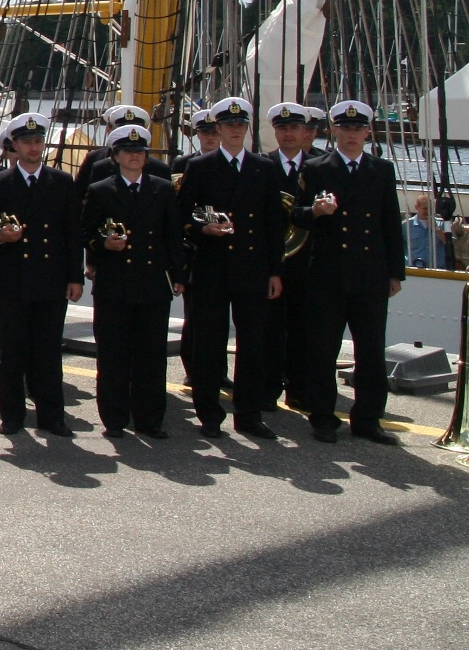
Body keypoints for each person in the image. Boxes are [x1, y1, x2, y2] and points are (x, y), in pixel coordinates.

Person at [292, 100, 405, 444]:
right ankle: (323, 417)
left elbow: (390, 223)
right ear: (334, 131)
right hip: (328, 272)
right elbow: (294, 216)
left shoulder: (381, 170)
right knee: (323, 349)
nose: (352, 135)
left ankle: (368, 419)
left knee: (371, 350)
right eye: (345, 129)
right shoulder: (315, 168)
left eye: (358, 130)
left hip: (369, 272)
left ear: (368, 133)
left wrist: (395, 273)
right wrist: (315, 211)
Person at [174, 97, 284, 439]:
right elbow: (182, 213)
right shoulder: (201, 167)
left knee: (252, 345)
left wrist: (274, 270)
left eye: (240, 125)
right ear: (218, 128)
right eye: (228, 125)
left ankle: (249, 415)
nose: (235, 130)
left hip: (251, 268)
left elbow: (273, 224)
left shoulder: (263, 168)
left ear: (246, 128)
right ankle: (209, 414)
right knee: (209, 343)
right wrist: (203, 227)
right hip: (212, 265)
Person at [0, 113, 81, 437]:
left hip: (50, 277)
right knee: (10, 351)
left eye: (38, 142)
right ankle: (12, 414)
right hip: (12, 278)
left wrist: (75, 277)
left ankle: (52, 415)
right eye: (27, 142)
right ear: (14, 146)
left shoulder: (61, 182)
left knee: (48, 352)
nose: (34, 148)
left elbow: (72, 233)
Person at [82, 124, 185, 438]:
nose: (135, 157)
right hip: (115, 281)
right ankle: (114, 419)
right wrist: (102, 244)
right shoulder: (100, 190)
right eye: (128, 152)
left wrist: (179, 275)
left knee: (151, 356)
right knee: (113, 354)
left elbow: (173, 235)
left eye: (140, 152)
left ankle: (150, 419)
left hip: (152, 282)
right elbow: (85, 233)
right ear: (116, 157)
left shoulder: (162, 188)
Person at [260, 102, 314, 413]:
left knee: (304, 330)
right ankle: (267, 390)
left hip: (307, 262)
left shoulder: (319, 166)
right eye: (282, 128)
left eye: (294, 128)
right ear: (275, 132)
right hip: (272, 261)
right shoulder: (262, 166)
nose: (288, 133)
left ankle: (298, 390)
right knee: (270, 330)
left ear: (305, 132)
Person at [405, 195, 439, 269]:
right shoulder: (406, 226)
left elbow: (450, 244)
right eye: (425, 209)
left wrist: (436, 229)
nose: (427, 211)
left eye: (430, 209)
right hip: (414, 268)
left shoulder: (440, 224)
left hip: (436, 269)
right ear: (417, 207)